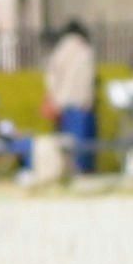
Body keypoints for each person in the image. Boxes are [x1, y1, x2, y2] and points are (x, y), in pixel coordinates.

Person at [42, 22, 102, 177]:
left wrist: (54, 98)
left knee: (67, 141)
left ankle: (68, 170)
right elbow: (88, 79)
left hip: (63, 103)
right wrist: (88, 100)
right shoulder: (85, 50)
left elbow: (51, 78)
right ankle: (83, 171)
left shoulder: (60, 50)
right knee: (83, 142)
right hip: (81, 102)